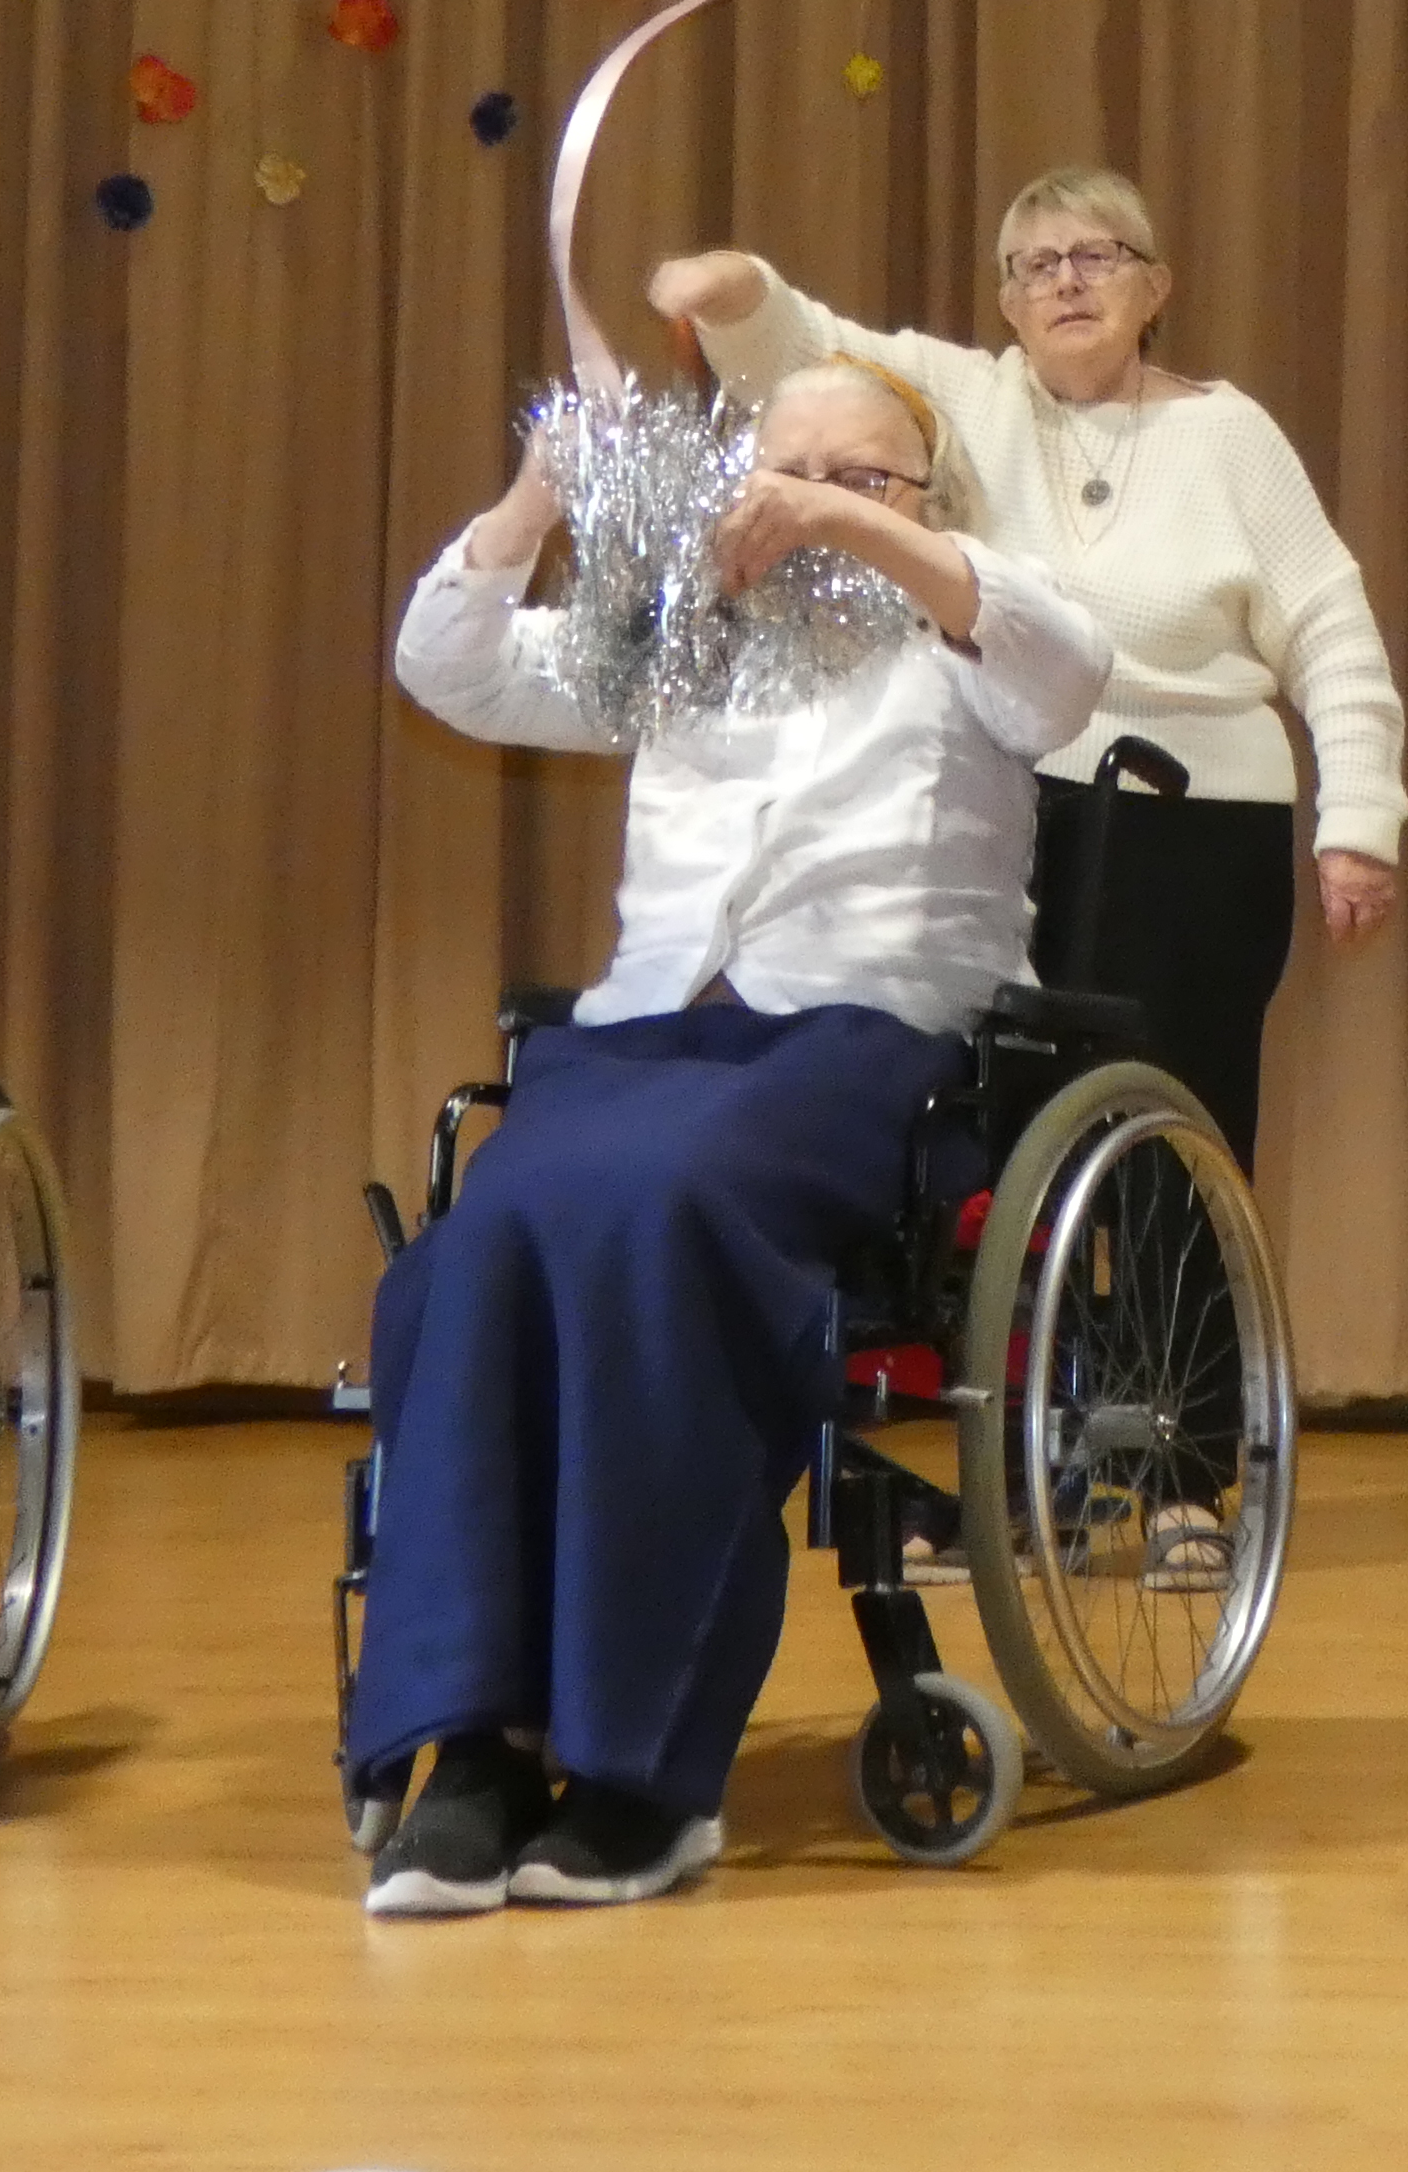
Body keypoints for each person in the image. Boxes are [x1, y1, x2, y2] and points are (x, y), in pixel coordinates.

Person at [351, 357, 1110, 1918]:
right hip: (651, 1035)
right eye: (786, 472)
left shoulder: (961, 640)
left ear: (925, 502)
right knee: (477, 1250)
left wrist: (850, 522)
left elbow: (1065, 661)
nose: (813, 503)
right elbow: (451, 665)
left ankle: (642, 1771)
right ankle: (477, 1742)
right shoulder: (678, 642)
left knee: (662, 1209)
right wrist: (546, 489)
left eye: (862, 476)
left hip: (867, 1041)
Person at [649, 169, 1398, 1166]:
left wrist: (1360, 821)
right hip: (1008, 812)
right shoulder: (968, 398)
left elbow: (1330, 629)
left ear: (1156, 288)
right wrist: (729, 286)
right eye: (1036, 266)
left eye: (1098, 256)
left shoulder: (1229, 434)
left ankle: (1184, 1326)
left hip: (1197, 835)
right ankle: (1012, 1326)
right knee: (990, 1123)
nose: (1067, 283)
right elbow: (802, 350)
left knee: (1176, 1136)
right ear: (1009, 304)